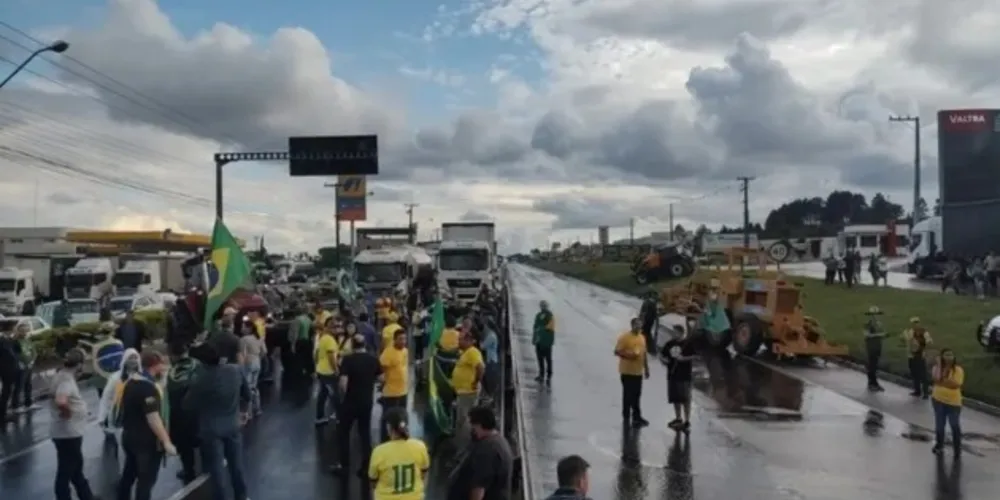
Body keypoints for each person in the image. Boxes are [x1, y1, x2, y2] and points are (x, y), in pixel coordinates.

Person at [184, 342, 251, 500]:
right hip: (233, 425)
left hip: (210, 430)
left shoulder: (201, 380)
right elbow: (247, 394)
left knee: (217, 469)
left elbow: (187, 405)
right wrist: (244, 412)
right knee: (237, 465)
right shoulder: (235, 370)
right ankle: (242, 496)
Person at [117, 351, 176, 500]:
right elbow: (153, 418)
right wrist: (166, 442)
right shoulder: (147, 388)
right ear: (155, 366)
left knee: (129, 475)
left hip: (129, 437)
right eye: (162, 364)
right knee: (146, 481)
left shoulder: (130, 383)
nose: (164, 367)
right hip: (146, 443)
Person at [50, 348, 97, 500]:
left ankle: (86, 496)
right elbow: (61, 400)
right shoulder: (66, 380)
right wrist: (68, 412)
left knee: (76, 468)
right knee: (66, 470)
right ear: (79, 365)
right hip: (68, 433)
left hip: (65, 432)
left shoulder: (60, 375)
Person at [331, 335, 381, 477]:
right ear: (365, 344)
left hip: (351, 402)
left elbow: (343, 383)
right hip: (366, 401)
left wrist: (343, 396)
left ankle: (344, 464)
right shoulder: (373, 359)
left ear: (353, 346)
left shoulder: (348, 360)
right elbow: (381, 378)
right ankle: (366, 466)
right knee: (364, 433)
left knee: (344, 432)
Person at [446, 406, 513, 500]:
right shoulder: (498, 441)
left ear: (479, 425)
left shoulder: (487, 450)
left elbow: (479, 488)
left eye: (472, 425)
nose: (471, 429)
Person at [369, 407, 431, 500]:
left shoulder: (379, 451)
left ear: (389, 427)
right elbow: (424, 474)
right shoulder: (420, 446)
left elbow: (373, 481)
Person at [167, 343, 201, 482]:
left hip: (179, 416)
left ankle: (189, 470)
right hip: (198, 414)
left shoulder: (172, 374)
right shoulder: (197, 366)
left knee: (185, 447)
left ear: (173, 356)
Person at [451, 331, 485, 452]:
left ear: (468, 341)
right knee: (461, 419)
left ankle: (463, 448)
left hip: (468, 393)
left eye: (461, 340)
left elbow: (480, 367)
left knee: (465, 420)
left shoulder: (473, 352)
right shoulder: (465, 353)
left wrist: (475, 382)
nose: (458, 342)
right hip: (462, 392)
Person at [98, 347, 142, 437]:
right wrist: (102, 417)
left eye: (135, 357)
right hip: (118, 418)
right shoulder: (115, 378)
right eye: (130, 358)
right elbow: (106, 398)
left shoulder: (142, 377)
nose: (133, 360)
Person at [614, 318, 649, 428]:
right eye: (636, 325)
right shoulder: (625, 337)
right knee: (628, 394)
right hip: (627, 371)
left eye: (640, 325)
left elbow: (644, 354)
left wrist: (647, 368)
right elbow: (617, 351)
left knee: (637, 395)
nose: (638, 327)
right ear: (632, 325)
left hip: (638, 372)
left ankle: (636, 417)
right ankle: (626, 415)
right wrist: (629, 356)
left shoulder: (642, 337)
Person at [661, 325, 695, 431]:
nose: (673, 334)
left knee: (686, 399)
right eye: (673, 332)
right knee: (675, 398)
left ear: (681, 333)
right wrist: (664, 360)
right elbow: (662, 355)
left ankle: (687, 420)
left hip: (684, 376)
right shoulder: (669, 344)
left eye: (675, 332)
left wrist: (684, 358)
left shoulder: (688, 344)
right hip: (672, 374)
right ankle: (678, 418)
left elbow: (695, 356)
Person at [931, 348, 964, 455]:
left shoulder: (958, 370)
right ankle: (939, 445)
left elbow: (955, 385)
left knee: (954, 425)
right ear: (941, 357)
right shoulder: (936, 367)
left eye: (951, 355)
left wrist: (942, 382)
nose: (949, 357)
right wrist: (940, 367)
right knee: (940, 425)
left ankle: (957, 448)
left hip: (953, 403)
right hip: (938, 400)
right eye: (946, 355)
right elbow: (936, 379)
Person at [379, 328, 409, 442]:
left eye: (405, 339)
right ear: (394, 340)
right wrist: (383, 381)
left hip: (403, 391)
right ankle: (385, 441)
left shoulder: (405, 351)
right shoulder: (388, 352)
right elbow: (381, 368)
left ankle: (401, 439)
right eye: (400, 339)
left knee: (402, 418)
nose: (403, 341)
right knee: (388, 419)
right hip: (391, 393)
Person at [314, 319, 340, 425]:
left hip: (321, 370)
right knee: (334, 395)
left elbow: (316, 354)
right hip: (328, 372)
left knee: (323, 394)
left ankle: (319, 417)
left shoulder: (323, 337)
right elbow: (331, 357)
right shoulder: (329, 340)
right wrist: (336, 369)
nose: (336, 329)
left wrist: (316, 365)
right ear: (328, 328)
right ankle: (340, 416)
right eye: (333, 327)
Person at [10, 323, 39, 415]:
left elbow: (33, 351)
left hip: (29, 366)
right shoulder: (15, 341)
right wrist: (21, 363)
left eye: (26, 330)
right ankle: (15, 406)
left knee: (28, 385)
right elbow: (15, 355)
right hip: (21, 367)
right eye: (23, 330)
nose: (25, 332)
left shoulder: (27, 340)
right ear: (18, 331)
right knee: (19, 386)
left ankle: (28, 403)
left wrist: (32, 361)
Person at [238, 324, 266, 417]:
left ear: (249, 328)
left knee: (247, 388)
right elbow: (264, 352)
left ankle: (248, 412)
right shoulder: (258, 338)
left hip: (248, 364)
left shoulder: (243, 339)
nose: (242, 328)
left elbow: (242, 354)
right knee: (254, 386)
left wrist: (241, 366)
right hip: (257, 362)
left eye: (244, 326)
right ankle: (257, 409)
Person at [901, 317, 932, 399]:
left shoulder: (924, 332)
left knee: (923, 375)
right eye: (913, 323)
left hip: (920, 355)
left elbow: (929, 342)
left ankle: (925, 393)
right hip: (911, 355)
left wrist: (924, 350)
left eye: (917, 322)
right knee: (914, 374)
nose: (915, 324)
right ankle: (917, 391)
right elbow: (905, 341)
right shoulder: (909, 332)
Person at [863, 306, 886, 392]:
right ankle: (871, 383)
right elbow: (866, 335)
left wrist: (883, 335)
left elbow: (881, 333)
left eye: (876, 314)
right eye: (873, 315)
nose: (875, 316)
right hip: (871, 347)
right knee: (871, 366)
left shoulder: (879, 324)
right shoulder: (868, 324)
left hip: (877, 346)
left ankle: (875, 383)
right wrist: (879, 335)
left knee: (875, 366)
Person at [0, 329, 19, 426]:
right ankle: (2, 416)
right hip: (5, 370)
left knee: (6, 392)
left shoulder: (8, 341)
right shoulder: (2, 341)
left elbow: (14, 353)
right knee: (5, 392)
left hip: (9, 370)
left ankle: (3, 414)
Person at [532, 301, 554, 384]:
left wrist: (541, 329)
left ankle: (549, 375)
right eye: (541, 306)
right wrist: (534, 339)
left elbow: (550, 327)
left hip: (547, 341)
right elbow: (535, 327)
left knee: (548, 359)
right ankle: (541, 374)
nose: (543, 307)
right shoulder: (538, 315)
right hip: (539, 341)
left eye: (544, 306)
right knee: (540, 358)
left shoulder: (550, 316)